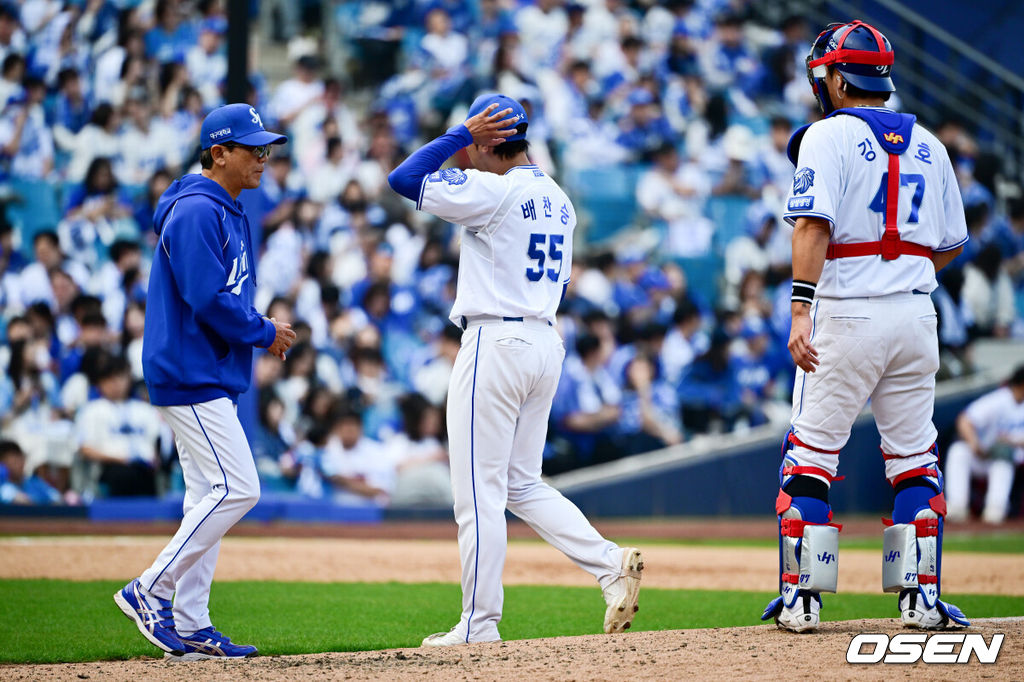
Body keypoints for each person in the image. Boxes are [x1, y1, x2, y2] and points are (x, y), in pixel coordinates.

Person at [387, 93, 643, 646]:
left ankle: (479, 625)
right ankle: (607, 565)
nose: (464, 159)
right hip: (544, 339)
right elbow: (563, 284)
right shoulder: (561, 200)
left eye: (473, 147)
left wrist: (458, 132)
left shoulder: (492, 188)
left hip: (494, 340)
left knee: (478, 493)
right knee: (520, 484)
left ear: (487, 141)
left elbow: (403, 178)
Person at [761, 21, 970, 634]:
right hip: (914, 313)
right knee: (914, 461)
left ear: (832, 76)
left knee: (810, 459)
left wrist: (800, 308)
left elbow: (811, 228)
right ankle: (921, 600)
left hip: (847, 311)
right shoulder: (930, 142)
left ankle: (802, 599)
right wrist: (899, 264)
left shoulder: (826, 136)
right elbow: (953, 243)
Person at [113, 103, 295, 660]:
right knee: (238, 488)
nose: (264, 158)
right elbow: (205, 296)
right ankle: (150, 589)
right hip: (189, 369)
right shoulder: (197, 209)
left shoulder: (226, 206)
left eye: (266, 147)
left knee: (206, 496)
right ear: (219, 153)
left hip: (208, 369)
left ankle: (191, 623)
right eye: (253, 148)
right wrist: (263, 332)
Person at [945, 366, 1024, 524]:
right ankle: (957, 506)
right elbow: (964, 420)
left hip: (1009, 458)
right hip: (984, 455)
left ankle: (996, 509)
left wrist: (1010, 441)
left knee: (1004, 453)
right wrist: (974, 444)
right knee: (959, 451)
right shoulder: (1000, 399)